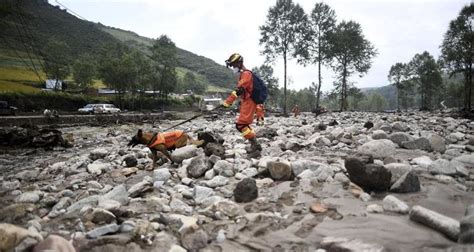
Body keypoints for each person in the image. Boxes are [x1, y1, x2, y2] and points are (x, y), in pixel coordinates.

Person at [222, 53, 262, 155]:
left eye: (234, 65)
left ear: (240, 63)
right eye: (232, 65)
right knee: (243, 125)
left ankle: (255, 144)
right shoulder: (244, 74)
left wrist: (228, 101)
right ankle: (254, 144)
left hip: (249, 102)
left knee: (241, 125)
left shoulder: (246, 74)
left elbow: (240, 90)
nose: (233, 67)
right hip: (247, 101)